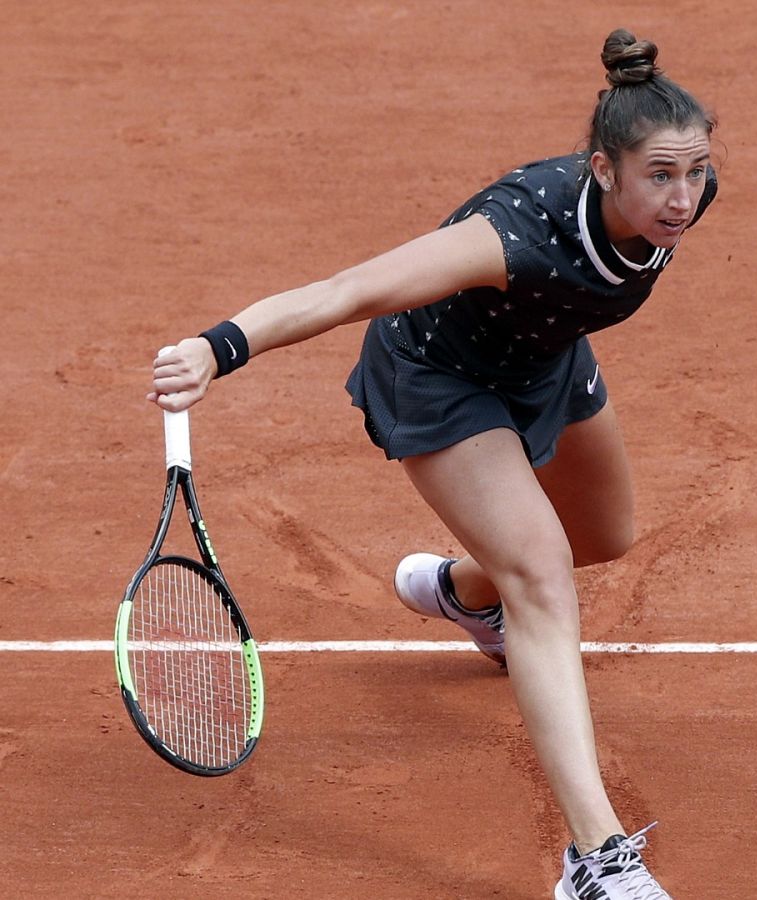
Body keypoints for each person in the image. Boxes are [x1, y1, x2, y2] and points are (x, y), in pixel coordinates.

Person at [148, 28, 716, 900]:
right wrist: (218, 347)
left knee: (604, 535)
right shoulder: (513, 236)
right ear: (603, 171)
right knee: (544, 574)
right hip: (439, 376)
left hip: (541, 357)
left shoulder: (677, 200)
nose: (682, 198)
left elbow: (650, 224)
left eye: (696, 173)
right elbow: (351, 290)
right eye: (661, 177)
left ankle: (460, 591)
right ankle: (596, 860)